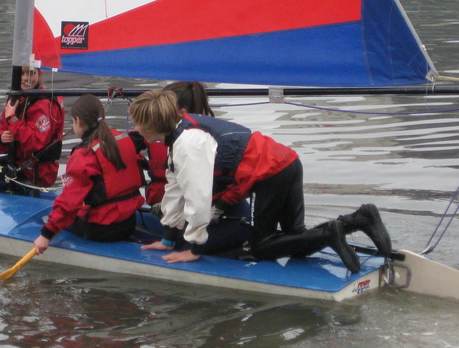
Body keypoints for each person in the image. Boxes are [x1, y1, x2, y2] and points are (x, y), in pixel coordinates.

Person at [128, 90, 391, 273]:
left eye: (139, 124)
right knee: (295, 241)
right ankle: (358, 219)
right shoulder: (182, 130)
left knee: (261, 247)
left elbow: (197, 198)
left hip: (270, 175)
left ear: (153, 123)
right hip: (288, 161)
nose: (136, 130)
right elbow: (175, 192)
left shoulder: (188, 144)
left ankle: (333, 230)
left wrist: (194, 247)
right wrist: (169, 239)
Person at [32, 94, 146, 254]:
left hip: (101, 230)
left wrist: (46, 235)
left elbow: (68, 202)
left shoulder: (83, 155)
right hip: (128, 223)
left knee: (51, 218)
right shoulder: (125, 139)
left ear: (78, 121)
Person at [0, 66, 64, 190]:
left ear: (40, 74)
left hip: (36, 172)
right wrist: (1, 138)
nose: (25, 78)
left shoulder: (45, 104)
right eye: (21, 74)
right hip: (17, 162)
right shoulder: (16, 99)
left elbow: (34, 142)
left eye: (31, 73)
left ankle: (23, 188)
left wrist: (12, 118)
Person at [142, 81, 215, 215]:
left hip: (179, 210)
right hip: (164, 204)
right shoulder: (156, 132)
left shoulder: (194, 142)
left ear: (180, 112)